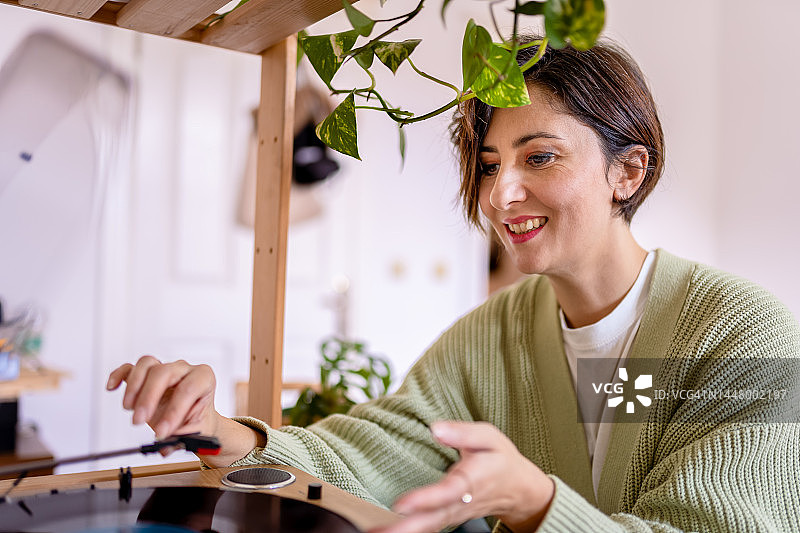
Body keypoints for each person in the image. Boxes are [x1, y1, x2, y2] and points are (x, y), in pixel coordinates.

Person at [107, 38, 800, 533]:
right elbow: (370, 452)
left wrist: (534, 502)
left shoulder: (744, 334)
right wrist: (218, 429)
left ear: (629, 172)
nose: (501, 194)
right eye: (491, 163)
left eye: (541, 156)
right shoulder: (496, 334)